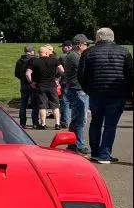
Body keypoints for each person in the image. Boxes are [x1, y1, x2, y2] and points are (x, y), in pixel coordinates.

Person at [77, 27, 134, 164]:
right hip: (117, 94)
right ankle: (104, 154)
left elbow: (81, 75)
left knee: (95, 122)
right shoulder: (124, 52)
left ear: (99, 38)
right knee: (110, 125)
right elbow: (130, 75)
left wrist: (88, 89)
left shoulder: (88, 52)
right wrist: (127, 92)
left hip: (95, 93)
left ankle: (95, 152)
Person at [62, 35, 91, 154]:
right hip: (78, 90)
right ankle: (78, 144)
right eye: (86, 45)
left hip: (74, 89)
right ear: (80, 45)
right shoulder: (75, 57)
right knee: (80, 119)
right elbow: (86, 70)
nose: (87, 47)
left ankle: (73, 143)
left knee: (75, 119)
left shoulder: (71, 55)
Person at [25, 45, 64, 129]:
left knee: (42, 106)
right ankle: (57, 124)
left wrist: (31, 82)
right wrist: (57, 78)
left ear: (39, 53)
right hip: (52, 86)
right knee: (55, 105)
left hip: (40, 86)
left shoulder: (35, 61)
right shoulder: (54, 60)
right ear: (46, 52)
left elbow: (27, 73)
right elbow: (62, 70)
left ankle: (43, 124)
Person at [14, 45, 39, 129]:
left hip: (23, 84)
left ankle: (22, 123)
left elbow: (16, 74)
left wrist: (22, 78)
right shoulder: (35, 60)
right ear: (32, 51)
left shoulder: (19, 61)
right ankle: (35, 122)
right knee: (34, 104)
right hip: (33, 84)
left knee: (23, 104)